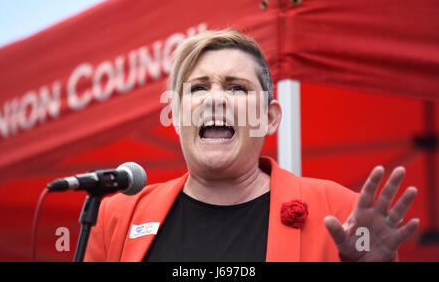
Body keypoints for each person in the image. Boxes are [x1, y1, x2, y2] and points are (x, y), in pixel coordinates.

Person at [84, 29, 419, 262]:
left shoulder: (339, 211)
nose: (215, 99)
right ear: (175, 115)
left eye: (237, 88)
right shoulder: (116, 217)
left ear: (270, 118)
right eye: (198, 88)